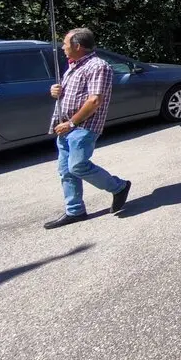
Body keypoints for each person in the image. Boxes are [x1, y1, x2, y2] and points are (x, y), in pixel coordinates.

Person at [44, 27, 130, 229]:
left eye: (65, 44)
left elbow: (95, 100)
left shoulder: (97, 66)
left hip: (83, 126)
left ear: (78, 46)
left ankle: (119, 187)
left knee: (77, 166)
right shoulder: (73, 66)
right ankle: (75, 211)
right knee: (65, 171)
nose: (62, 48)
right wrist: (56, 91)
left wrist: (72, 123)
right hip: (65, 126)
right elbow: (70, 95)